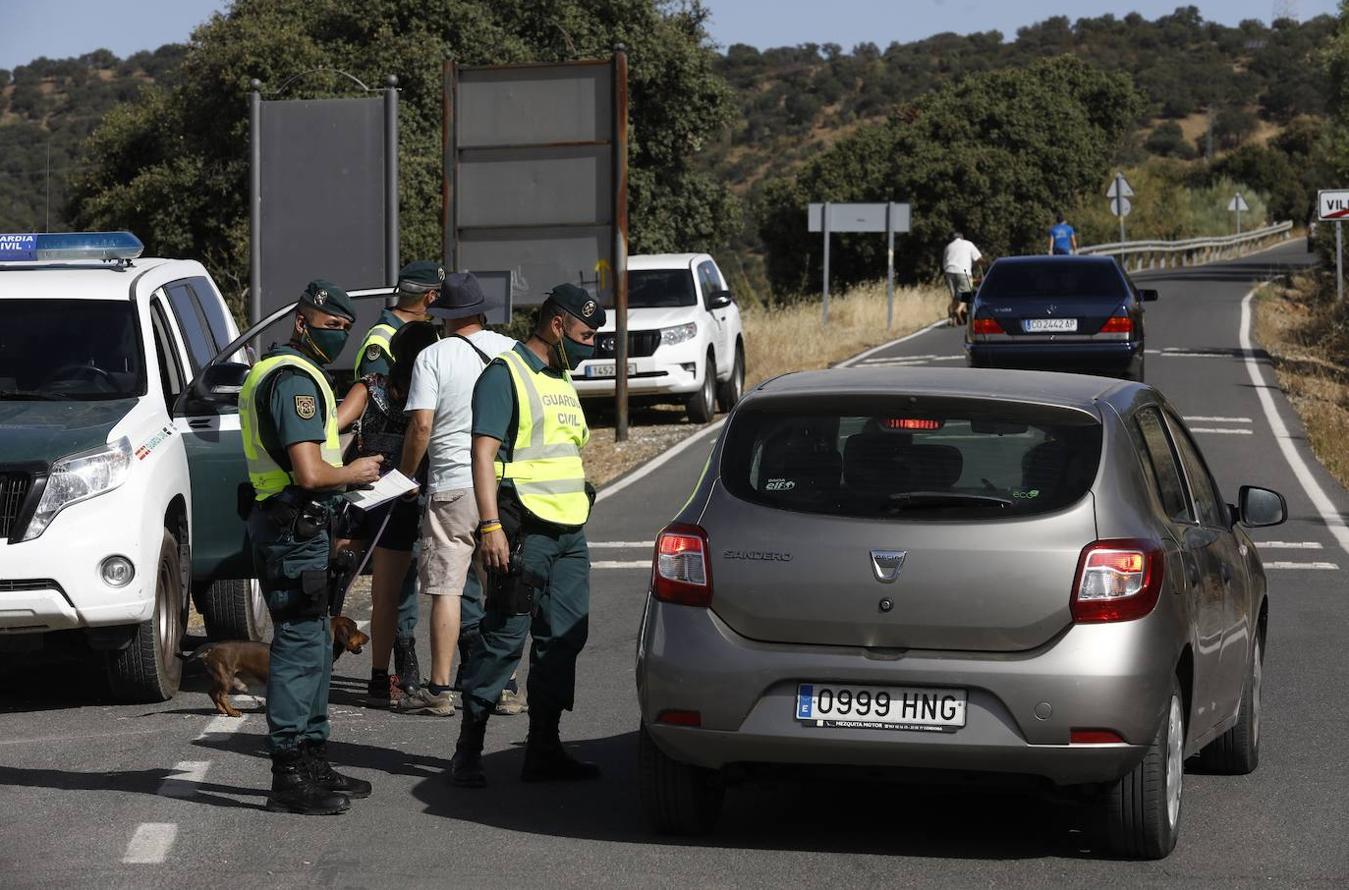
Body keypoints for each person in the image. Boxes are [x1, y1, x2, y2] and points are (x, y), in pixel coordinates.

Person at [449, 283, 602, 788]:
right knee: (504, 637)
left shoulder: (560, 377)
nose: (590, 345)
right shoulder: (505, 375)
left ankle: (544, 748)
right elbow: (483, 454)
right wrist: (489, 524)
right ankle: (468, 747)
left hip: (569, 530)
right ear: (556, 325)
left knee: (564, 638)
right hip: (524, 529)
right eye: (583, 335)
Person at [238, 279, 380, 815]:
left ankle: (314, 759)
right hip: (291, 529)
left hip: (298, 527)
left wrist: (362, 394)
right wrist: (356, 472)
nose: (340, 335)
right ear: (303, 322)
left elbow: (319, 434)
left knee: (317, 645)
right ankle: (289, 774)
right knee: (299, 650)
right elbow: (310, 470)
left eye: (347, 328)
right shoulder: (292, 379)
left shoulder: (291, 374)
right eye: (332, 327)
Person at [397, 273, 520, 717]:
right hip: (503, 482)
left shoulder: (432, 356)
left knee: (446, 589)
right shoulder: (510, 352)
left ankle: (441, 688)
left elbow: (422, 426)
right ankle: (503, 686)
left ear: (442, 316)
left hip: (451, 482)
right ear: (482, 310)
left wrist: (406, 474)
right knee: (499, 588)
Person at [348, 260, 445, 699]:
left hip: (388, 479)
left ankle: (386, 673)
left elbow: (335, 422)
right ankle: (400, 667)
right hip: (400, 480)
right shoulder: (394, 350)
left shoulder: (381, 371)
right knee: (416, 580)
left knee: (393, 582)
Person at [941, 230, 983, 326]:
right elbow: (978, 258)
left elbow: (944, 262)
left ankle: (952, 319)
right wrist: (981, 263)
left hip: (949, 272)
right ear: (962, 237)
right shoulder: (968, 244)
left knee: (955, 296)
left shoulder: (948, 246)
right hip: (963, 271)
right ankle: (959, 310)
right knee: (966, 294)